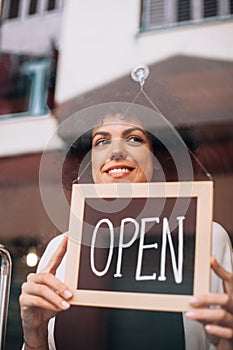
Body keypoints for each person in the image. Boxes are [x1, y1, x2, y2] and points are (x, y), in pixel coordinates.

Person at [20, 106, 233, 350]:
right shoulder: (62, 250)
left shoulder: (205, 237)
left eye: (134, 139)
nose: (117, 151)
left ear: (158, 159)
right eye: (101, 142)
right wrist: (34, 338)